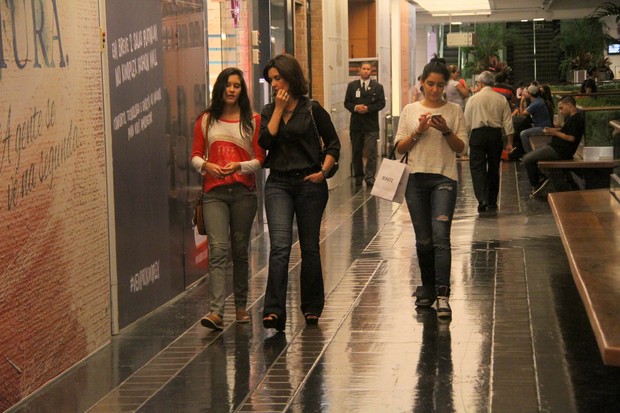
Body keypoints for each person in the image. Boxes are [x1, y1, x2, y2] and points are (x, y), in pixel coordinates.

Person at [259, 54, 340, 331]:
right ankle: (273, 311)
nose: (273, 84)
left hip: (309, 183)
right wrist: (279, 110)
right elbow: (265, 142)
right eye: (270, 79)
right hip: (278, 183)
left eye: (277, 78)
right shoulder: (269, 111)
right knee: (280, 247)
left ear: (291, 77)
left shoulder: (312, 109)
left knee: (309, 247)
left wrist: (323, 172)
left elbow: (333, 144)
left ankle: (312, 308)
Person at [190, 67, 266, 330]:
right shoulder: (206, 120)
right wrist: (207, 166)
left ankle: (241, 306)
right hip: (214, 194)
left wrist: (239, 167)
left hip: (244, 193)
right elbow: (195, 156)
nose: (232, 90)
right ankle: (216, 312)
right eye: (227, 85)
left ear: (242, 90)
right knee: (218, 251)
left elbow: (260, 159)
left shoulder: (253, 120)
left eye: (236, 85)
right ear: (220, 88)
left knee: (239, 251)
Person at [393, 60, 468, 318]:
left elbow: (461, 149)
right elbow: (399, 148)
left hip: (444, 179)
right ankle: (427, 287)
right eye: (430, 84)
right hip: (415, 180)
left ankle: (443, 293)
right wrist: (419, 130)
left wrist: (445, 130)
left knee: (440, 237)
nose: (435, 90)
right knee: (423, 239)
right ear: (422, 82)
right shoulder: (410, 110)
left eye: (440, 85)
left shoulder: (455, 110)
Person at [463, 71, 515, 212]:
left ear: (480, 83)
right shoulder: (501, 99)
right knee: (493, 168)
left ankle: (482, 199)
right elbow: (508, 122)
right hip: (494, 135)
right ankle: (492, 201)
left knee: (477, 168)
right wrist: (509, 142)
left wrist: (464, 142)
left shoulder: (473, 99)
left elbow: (466, 123)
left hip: (477, 135)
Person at [522, 96, 585, 197]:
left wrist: (555, 132)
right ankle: (540, 179)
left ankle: (536, 184)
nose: (560, 111)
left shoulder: (576, 119)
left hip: (559, 151)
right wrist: (553, 132)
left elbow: (571, 138)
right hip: (555, 147)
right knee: (529, 157)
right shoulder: (572, 118)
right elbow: (566, 134)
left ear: (569, 105)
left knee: (527, 159)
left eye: (561, 108)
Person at [344, 62, 386, 187]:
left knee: (371, 152)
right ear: (359, 71)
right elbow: (347, 103)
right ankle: (358, 176)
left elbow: (381, 103)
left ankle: (370, 177)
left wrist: (368, 108)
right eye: (364, 69)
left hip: (371, 125)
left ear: (371, 71)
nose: (366, 71)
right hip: (356, 125)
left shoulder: (377, 87)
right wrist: (356, 107)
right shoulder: (352, 86)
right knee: (356, 151)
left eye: (369, 69)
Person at [514, 84, 553, 153]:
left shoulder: (536, 103)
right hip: (542, 126)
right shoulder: (538, 100)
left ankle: (528, 154)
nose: (524, 94)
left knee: (523, 133)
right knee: (523, 128)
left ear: (530, 94)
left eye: (526, 92)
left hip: (543, 128)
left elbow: (522, 114)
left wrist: (522, 101)